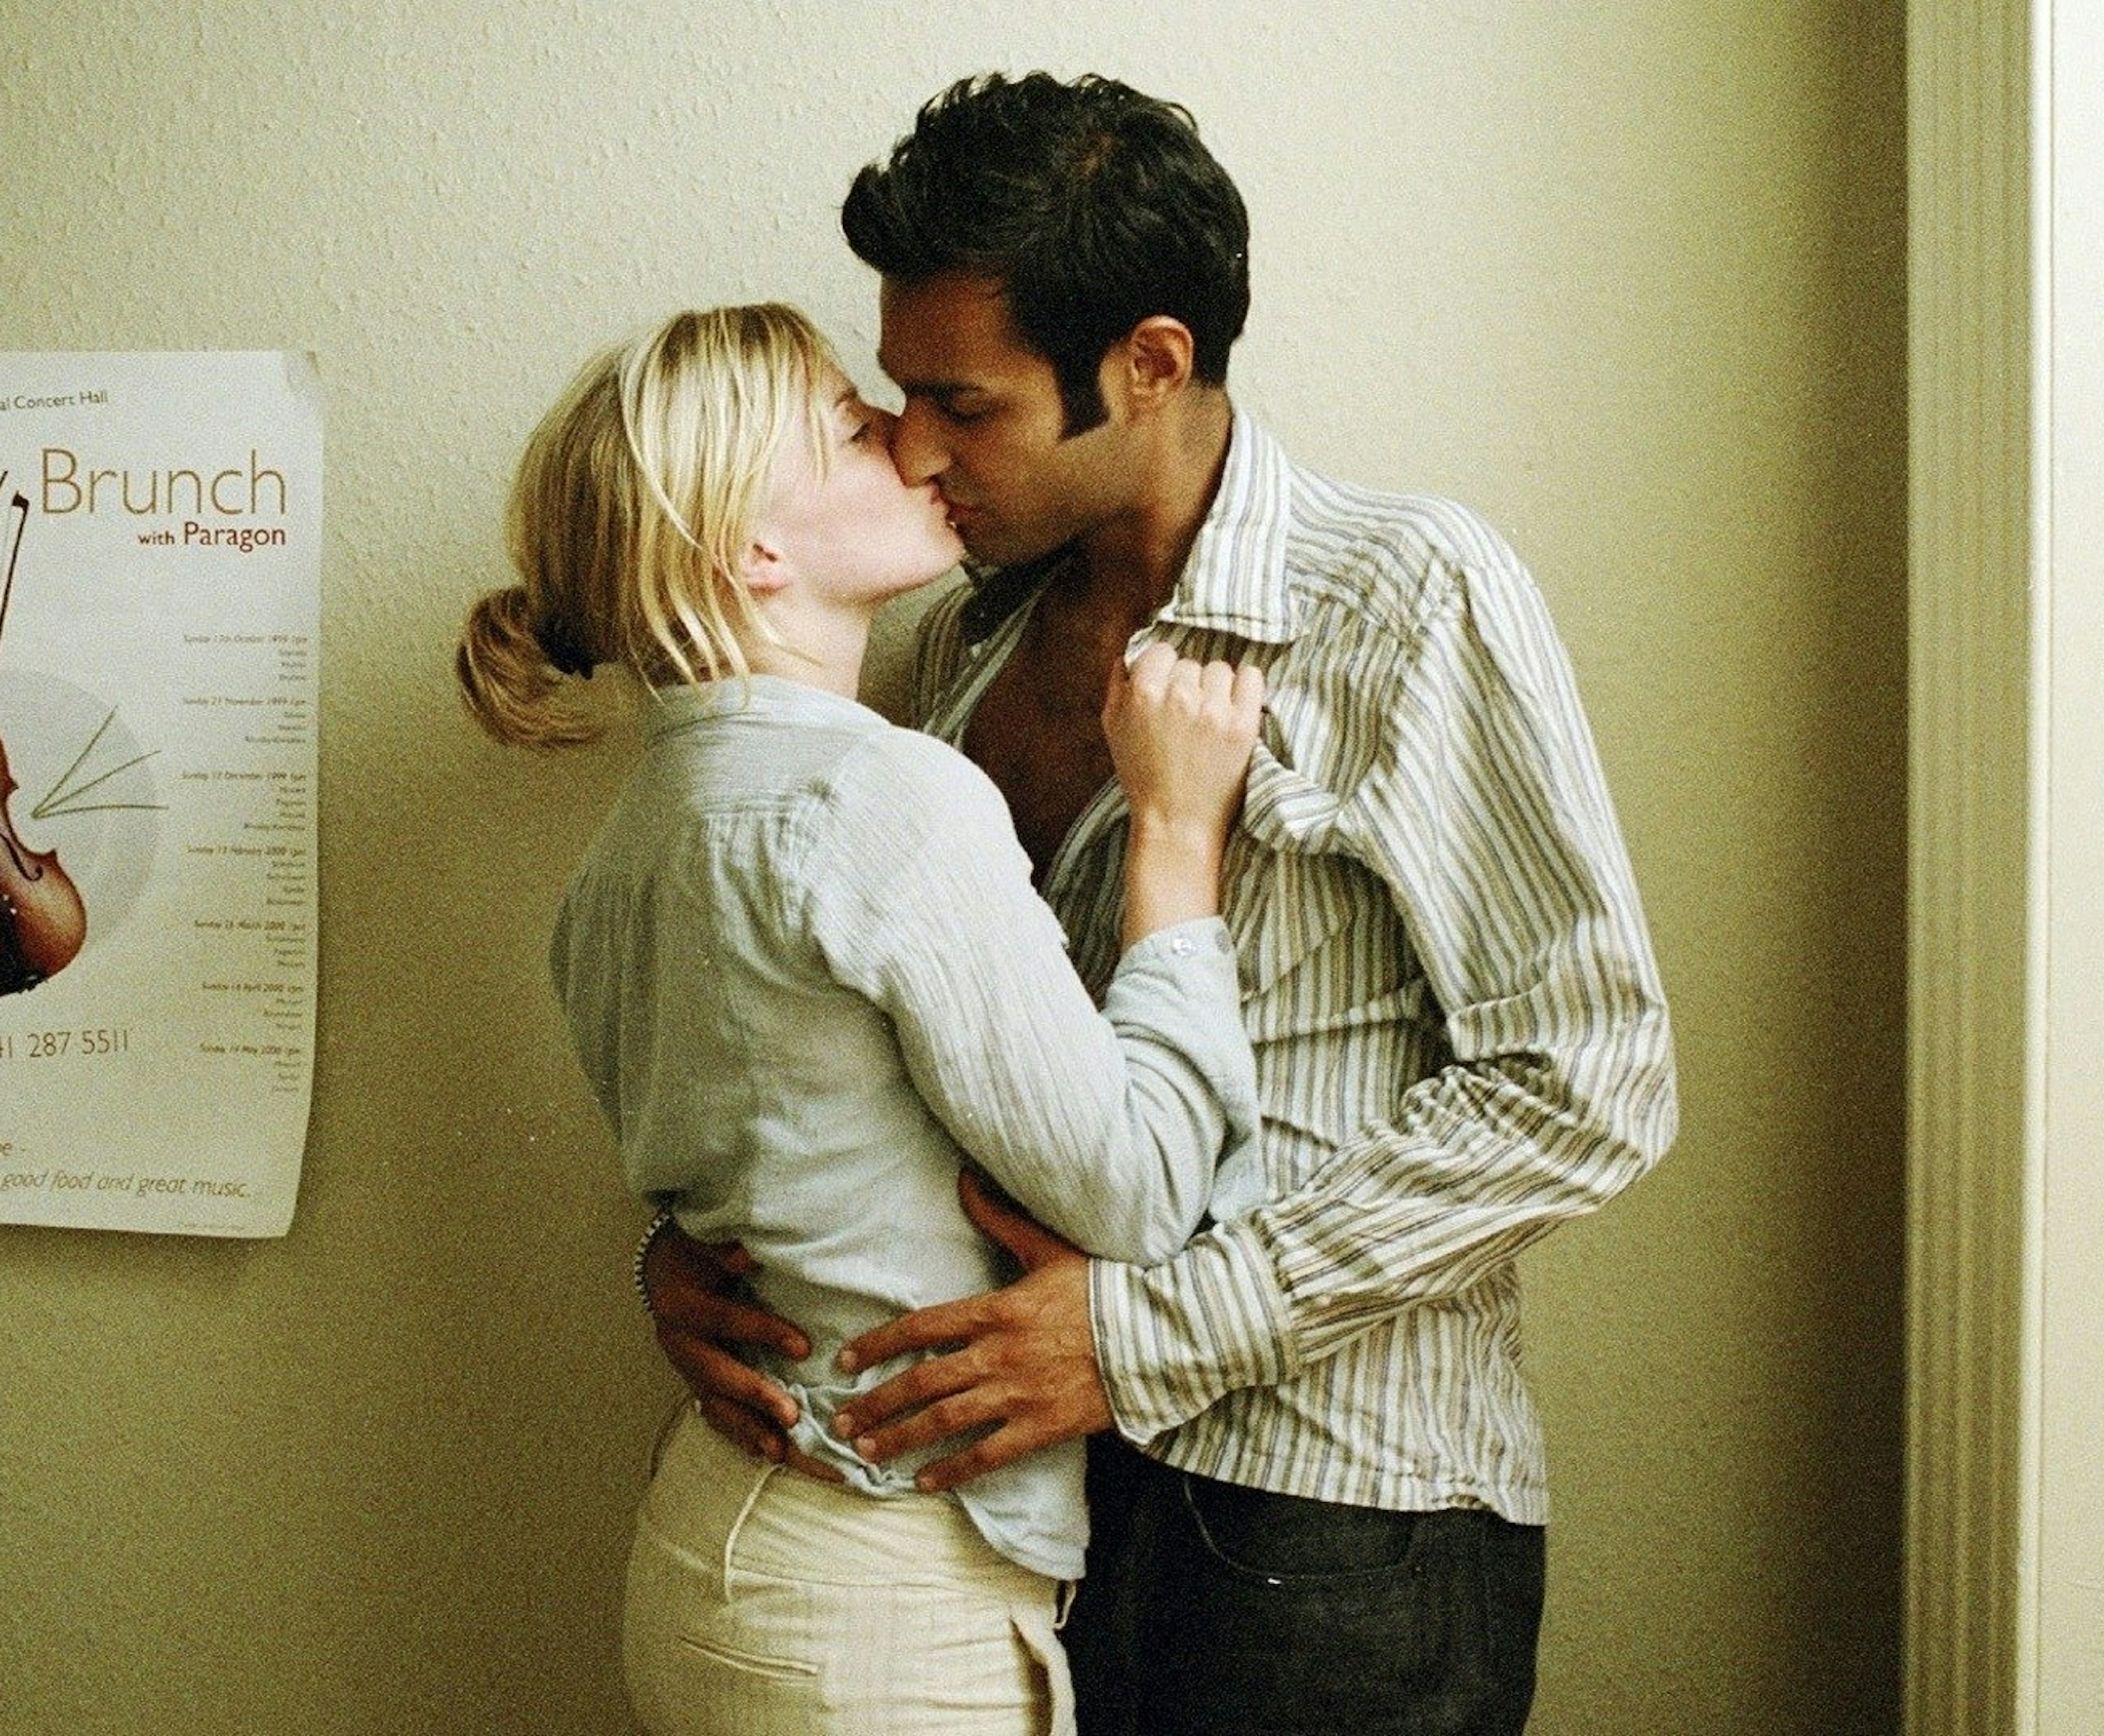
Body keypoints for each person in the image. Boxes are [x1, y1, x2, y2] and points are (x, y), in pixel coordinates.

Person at [641, 77, 1680, 1733]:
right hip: (1005, 1510)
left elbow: (1590, 1082)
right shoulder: (951, 640)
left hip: (1325, 1529)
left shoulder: (1406, 600)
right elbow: (869, 1035)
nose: (913, 446)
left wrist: (1144, 1336)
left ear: (1150, 363)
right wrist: (696, 1253)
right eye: (899, 394)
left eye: (961, 403)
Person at [458, 301, 1268, 1733]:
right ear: (752, 554)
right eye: (850, 427)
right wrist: (1176, 830)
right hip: (879, 1596)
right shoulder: (881, 797)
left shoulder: (618, 864)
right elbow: (1140, 1197)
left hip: (722, 1549)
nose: (908, 441)